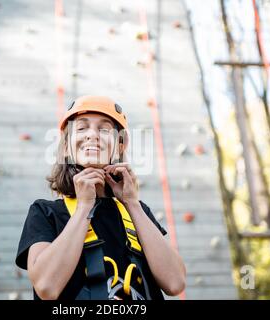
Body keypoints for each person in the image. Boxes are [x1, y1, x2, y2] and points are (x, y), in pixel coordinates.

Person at [15, 95, 186, 300]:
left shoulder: (137, 213)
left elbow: (175, 283)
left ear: (119, 146)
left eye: (104, 129)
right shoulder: (45, 212)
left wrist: (132, 203)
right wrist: (83, 208)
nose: (92, 135)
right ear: (67, 147)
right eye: (81, 128)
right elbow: (46, 287)